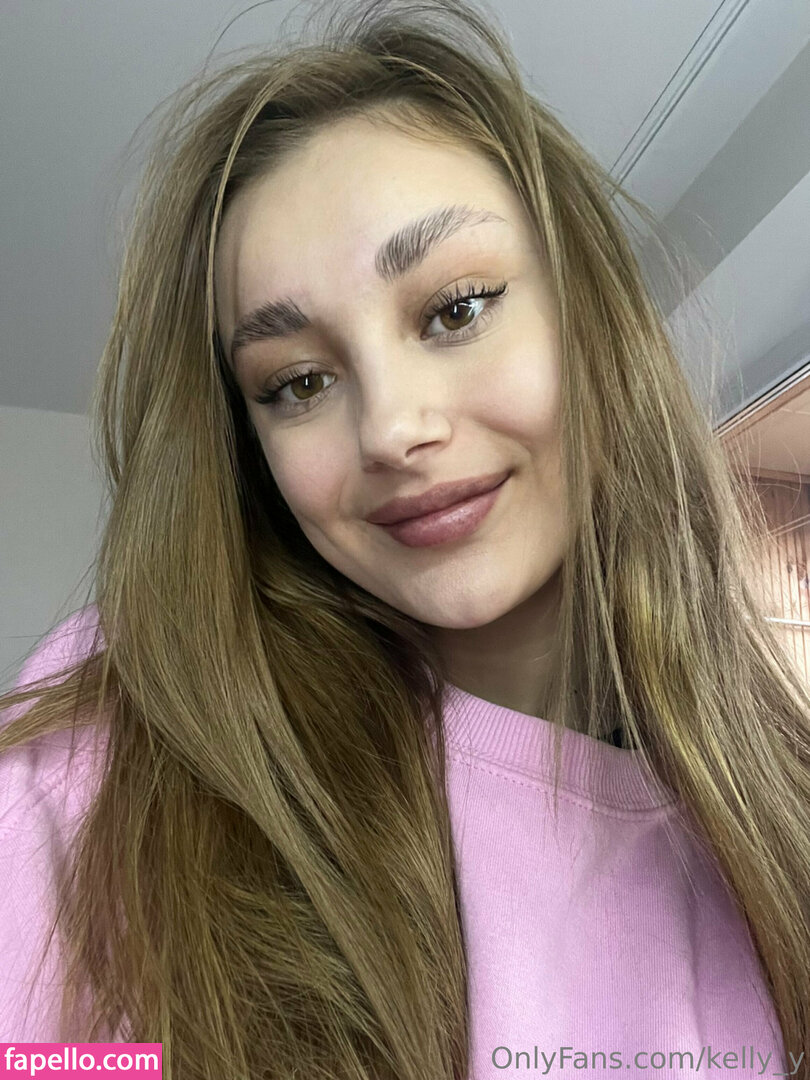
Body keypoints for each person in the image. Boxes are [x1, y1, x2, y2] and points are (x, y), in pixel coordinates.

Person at [1, 0, 809, 1075]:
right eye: (298, 382)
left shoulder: (771, 793)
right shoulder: (122, 743)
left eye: (456, 310)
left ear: (594, 318)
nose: (389, 430)